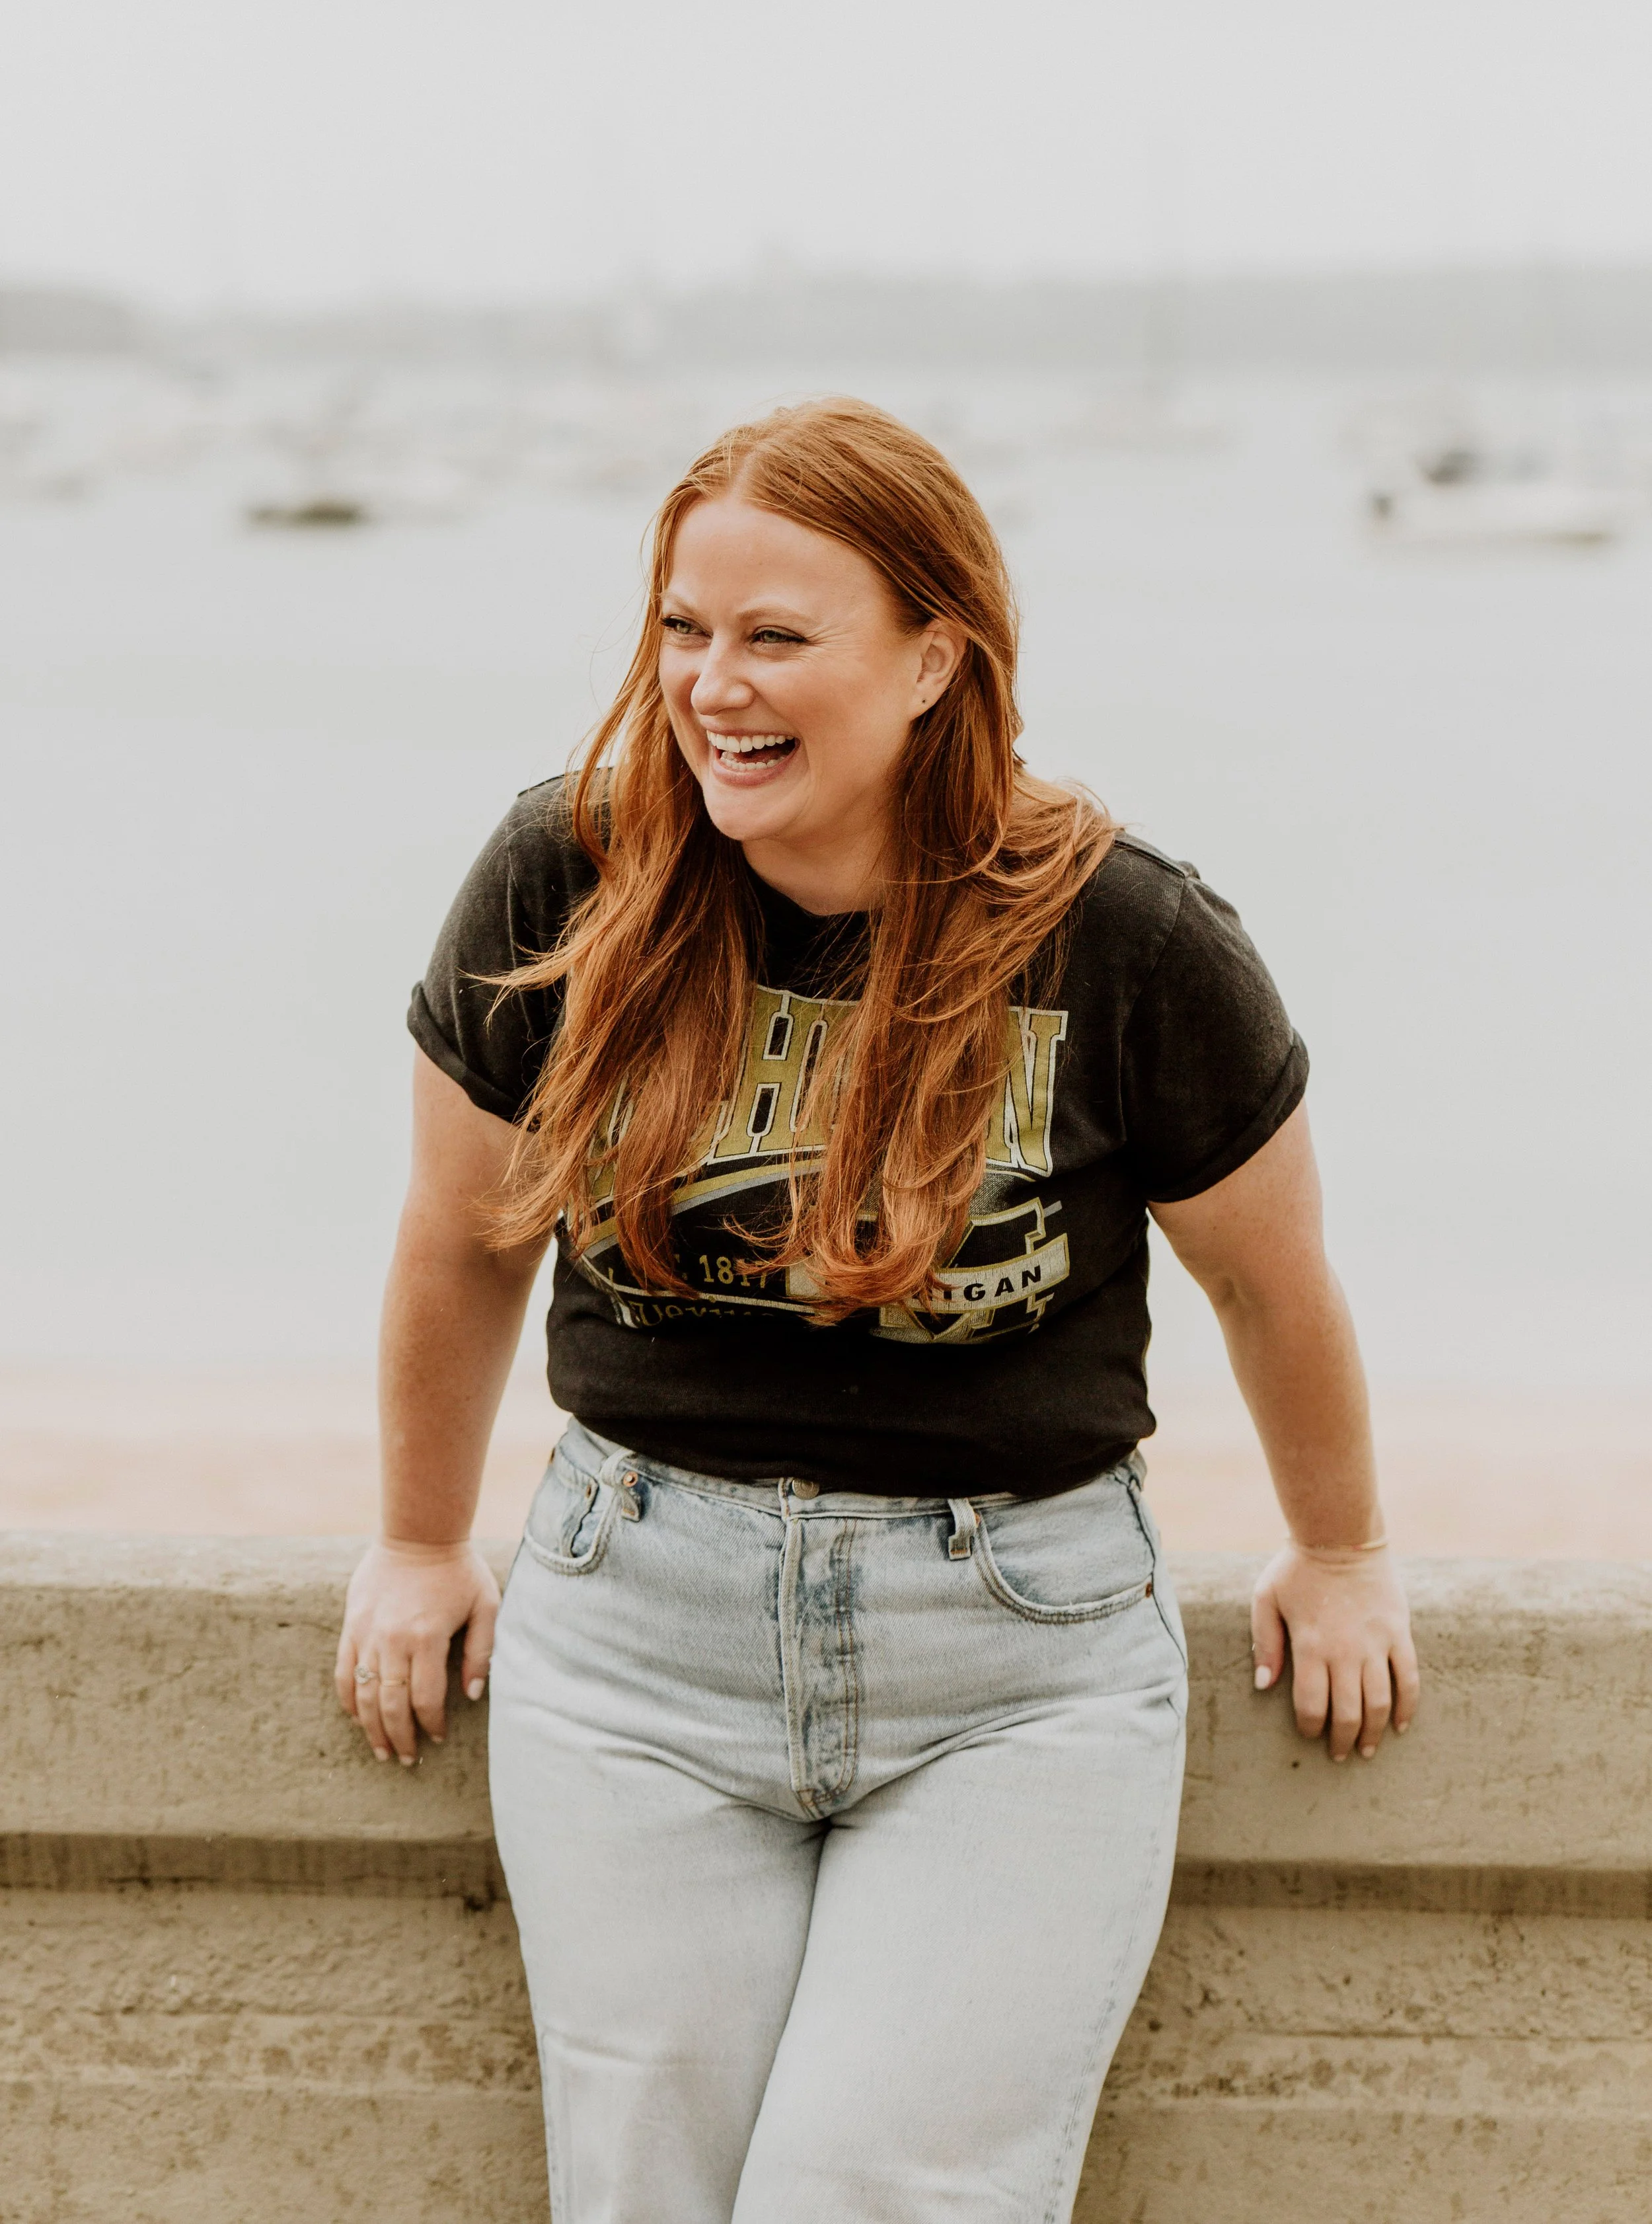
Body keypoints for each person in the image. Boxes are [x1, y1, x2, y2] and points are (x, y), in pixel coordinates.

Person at [336, 397, 1418, 2224]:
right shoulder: (569, 877)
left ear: (934, 657)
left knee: (882, 2194)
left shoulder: (1128, 935)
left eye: (775, 635)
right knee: (647, 2190)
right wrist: (416, 1536)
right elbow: (461, 1236)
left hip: (1014, 1666)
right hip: (632, 1640)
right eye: (683, 629)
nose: (710, 683)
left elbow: (1266, 1276)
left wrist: (1345, 1545)